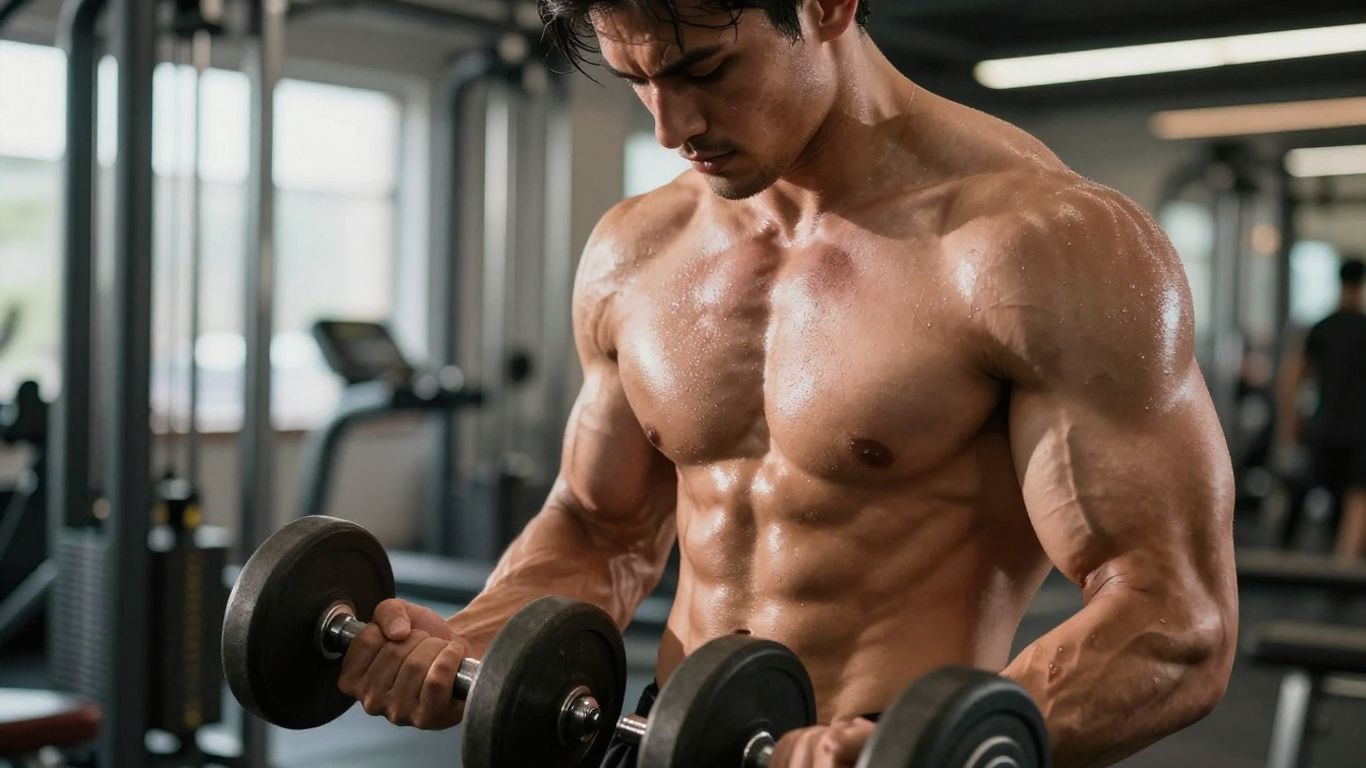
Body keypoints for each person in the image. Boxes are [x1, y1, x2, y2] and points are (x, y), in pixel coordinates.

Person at [337, 1, 1239, 766]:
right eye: (637, 80)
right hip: (666, 732)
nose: (669, 125)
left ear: (831, 6)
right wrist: (476, 638)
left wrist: (940, 745)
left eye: (706, 68)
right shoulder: (635, 252)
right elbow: (598, 525)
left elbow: (1174, 617)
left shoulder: (1038, 247)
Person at [1277, 256, 1366, 561]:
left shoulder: (1322, 328)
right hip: (1359, 429)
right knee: (1354, 500)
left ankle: (1283, 559)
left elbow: (1292, 377)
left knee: (1307, 492)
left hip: (1325, 423)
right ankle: (1342, 573)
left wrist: (1290, 421)